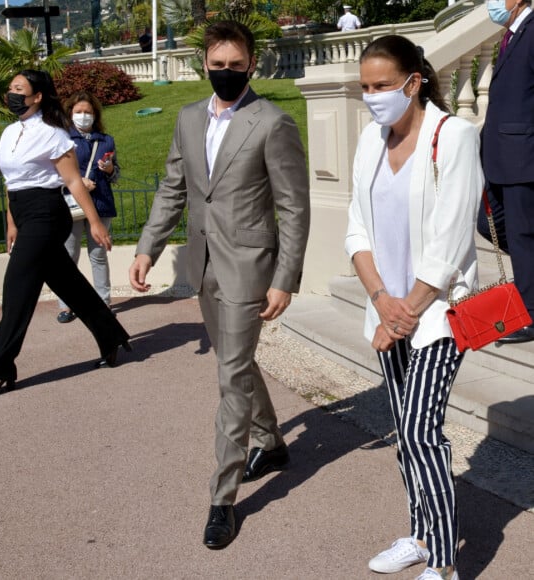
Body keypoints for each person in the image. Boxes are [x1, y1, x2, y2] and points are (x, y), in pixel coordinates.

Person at [129, 20, 310, 549]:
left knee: (231, 375)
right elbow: (172, 186)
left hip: (250, 266)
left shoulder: (272, 122)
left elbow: (293, 208)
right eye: (217, 65)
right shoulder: (187, 118)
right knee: (236, 360)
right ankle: (271, 443)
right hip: (203, 265)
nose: (226, 74)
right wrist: (147, 247)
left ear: (251, 65)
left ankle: (222, 497)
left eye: (236, 66)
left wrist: (285, 278)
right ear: (203, 65)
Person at [345, 36, 483, 579]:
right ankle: (420, 534)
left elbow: (450, 243)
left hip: (438, 314)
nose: (373, 96)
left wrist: (405, 312)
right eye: (365, 88)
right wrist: (382, 300)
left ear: (414, 81)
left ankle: (445, 563)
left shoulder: (454, 136)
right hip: (386, 311)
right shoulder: (368, 142)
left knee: (423, 431)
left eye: (382, 86)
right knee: (406, 432)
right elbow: (357, 229)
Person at [0, 70, 131, 399]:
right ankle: (111, 335)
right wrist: (11, 223)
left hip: (47, 213)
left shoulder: (54, 134)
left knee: (17, 289)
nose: (12, 94)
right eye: (11, 88)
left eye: (20, 89)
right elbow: (10, 184)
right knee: (68, 284)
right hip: (24, 213)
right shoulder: (9, 133)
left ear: (38, 96)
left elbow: (73, 182)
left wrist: (96, 222)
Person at [478, 0, 534, 344]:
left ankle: (530, 314)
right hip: (501, 157)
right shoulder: (511, 34)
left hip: (523, 157)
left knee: (522, 235)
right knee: (489, 224)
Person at [57, 91, 119, 323]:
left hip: (100, 203)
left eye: (88, 112)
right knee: (69, 256)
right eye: (79, 112)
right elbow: (53, 173)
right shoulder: (62, 139)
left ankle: (103, 302)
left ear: (95, 115)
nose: (84, 116)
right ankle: (67, 305)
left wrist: (110, 169)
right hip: (70, 204)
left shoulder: (106, 140)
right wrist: (78, 182)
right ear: (70, 114)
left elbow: (115, 174)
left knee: (98, 255)